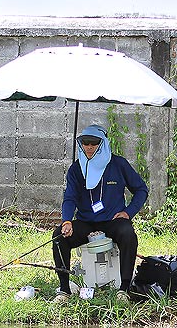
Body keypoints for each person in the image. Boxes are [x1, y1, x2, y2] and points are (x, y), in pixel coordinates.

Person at [52, 124, 148, 301]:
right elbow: (70, 198)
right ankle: (64, 289)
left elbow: (141, 189)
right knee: (59, 236)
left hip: (113, 221)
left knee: (128, 233)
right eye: (85, 143)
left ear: (103, 143)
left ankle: (124, 288)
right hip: (86, 223)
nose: (89, 147)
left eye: (94, 143)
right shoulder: (75, 169)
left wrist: (128, 212)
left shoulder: (118, 164)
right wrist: (66, 221)